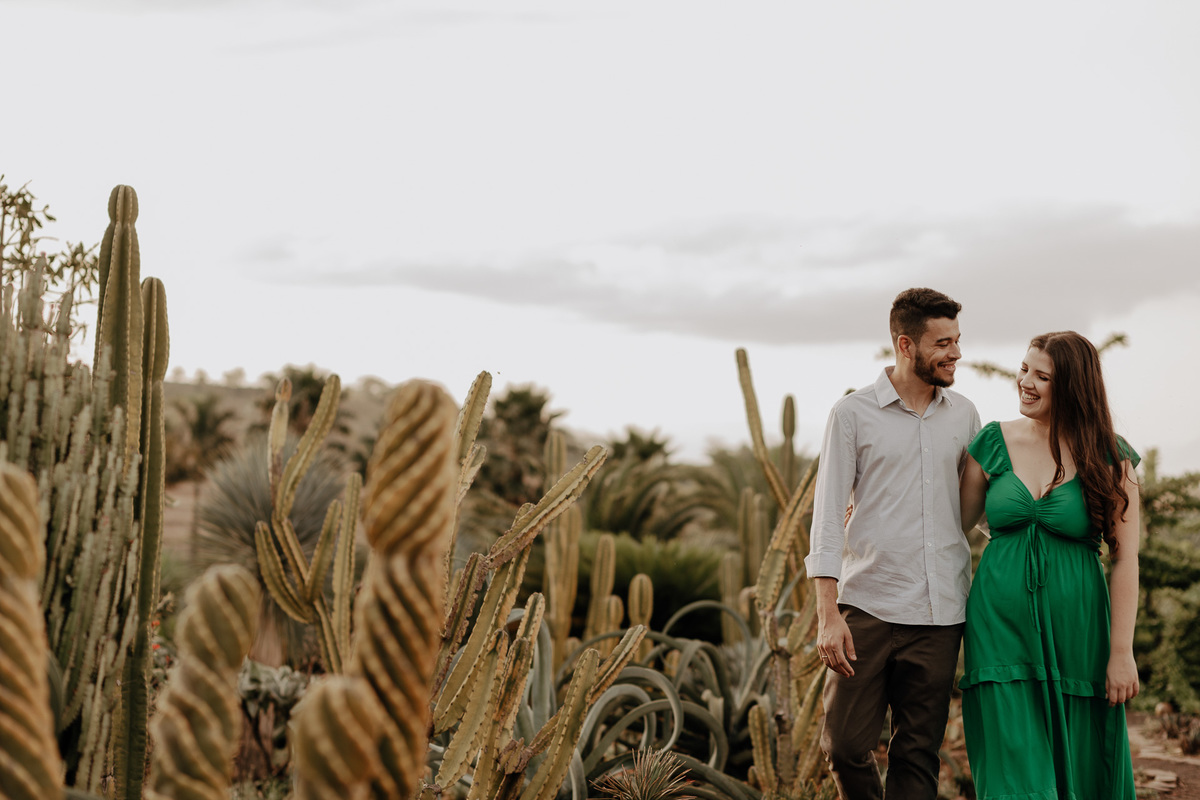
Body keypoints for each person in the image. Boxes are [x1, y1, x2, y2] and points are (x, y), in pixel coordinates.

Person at [805, 287, 981, 800]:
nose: (955, 353)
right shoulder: (852, 414)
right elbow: (827, 516)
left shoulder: (965, 414)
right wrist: (827, 613)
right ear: (906, 345)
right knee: (843, 746)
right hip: (867, 608)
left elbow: (977, 510)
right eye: (942, 343)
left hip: (940, 613)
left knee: (917, 755)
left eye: (957, 340)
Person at [959, 331, 1141, 799]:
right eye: (1024, 369)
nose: (1025, 382)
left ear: (1074, 388)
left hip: (1079, 633)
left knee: (1081, 766)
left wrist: (1121, 652)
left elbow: (1125, 560)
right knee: (1012, 774)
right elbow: (948, 526)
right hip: (998, 629)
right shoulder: (992, 442)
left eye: (1042, 376)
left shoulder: (1111, 457)